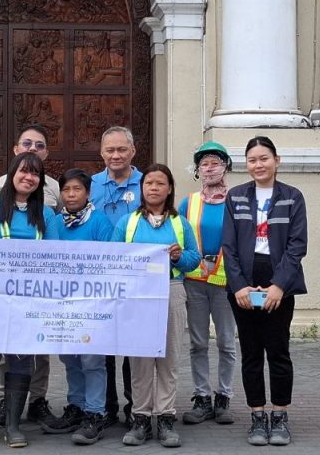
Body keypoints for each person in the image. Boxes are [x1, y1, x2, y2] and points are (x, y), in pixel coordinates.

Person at [0, 152, 60, 448]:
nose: (28, 178)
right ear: (12, 173)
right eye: (23, 171)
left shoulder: (46, 214)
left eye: (35, 174)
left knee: (21, 358)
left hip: (29, 299)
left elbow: (55, 253)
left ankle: (14, 427)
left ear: (40, 181)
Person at [221, 136, 308, 446]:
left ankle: (280, 415)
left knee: (278, 351)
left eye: (264, 158)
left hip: (279, 281)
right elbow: (228, 247)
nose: (258, 165)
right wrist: (239, 286)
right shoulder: (235, 197)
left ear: (276, 160)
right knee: (251, 352)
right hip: (243, 281)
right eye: (253, 160)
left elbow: (297, 246)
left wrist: (279, 286)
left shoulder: (293, 197)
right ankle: (257, 416)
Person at [114, 164, 200, 448]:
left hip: (171, 289)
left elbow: (194, 259)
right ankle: (140, 418)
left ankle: (165, 417)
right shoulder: (127, 223)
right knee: (140, 359)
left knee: (168, 357)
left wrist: (177, 257)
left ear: (169, 188)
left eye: (160, 183)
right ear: (142, 188)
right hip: (136, 294)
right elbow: (113, 257)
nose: (153, 187)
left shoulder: (180, 223)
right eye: (148, 182)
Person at [0, 124, 61, 428]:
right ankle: (8, 398)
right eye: (27, 143)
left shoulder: (53, 189)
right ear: (16, 150)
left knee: (39, 348)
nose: (33, 148)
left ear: (46, 153)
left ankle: (37, 400)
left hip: (38, 287)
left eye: (39, 145)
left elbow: (55, 239)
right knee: (8, 347)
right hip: (4, 286)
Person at [43, 168, 115, 444]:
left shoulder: (100, 222)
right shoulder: (55, 222)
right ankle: (76, 406)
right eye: (66, 190)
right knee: (69, 356)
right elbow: (50, 257)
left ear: (88, 193)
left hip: (92, 302)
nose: (71, 195)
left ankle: (96, 413)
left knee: (92, 359)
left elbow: (109, 261)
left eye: (77, 189)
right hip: (63, 301)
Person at [179, 142, 237, 426]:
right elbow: (178, 237)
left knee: (226, 342)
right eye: (204, 164)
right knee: (198, 343)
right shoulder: (188, 202)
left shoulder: (238, 199)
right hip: (195, 280)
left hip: (226, 282)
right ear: (197, 170)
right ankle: (202, 397)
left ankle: (223, 396)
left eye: (215, 161)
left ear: (226, 165)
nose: (209, 167)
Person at [88, 125, 143, 427]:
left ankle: (135, 407)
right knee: (103, 346)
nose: (116, 155)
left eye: (122, 149)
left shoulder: (147, 184)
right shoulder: (91, 184)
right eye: (110, 150)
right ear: (101, 153)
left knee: (132, 346)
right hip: (98, 280)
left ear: (133, 151)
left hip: (135, 280)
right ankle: (106, 407)